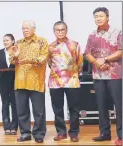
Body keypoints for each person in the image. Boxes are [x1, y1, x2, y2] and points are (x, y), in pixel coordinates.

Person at [83, 7, 122, 145]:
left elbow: (120, 51)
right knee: (101, 105)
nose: (98, 18)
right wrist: (97, 63)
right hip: (98, 75)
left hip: (115, 75)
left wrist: (105, 60)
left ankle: (121, 136)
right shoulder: (92, 35)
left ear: (107, 17)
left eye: (101, 16)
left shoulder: (117, 32)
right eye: (96, 16)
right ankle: (104, 133)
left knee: (119, 105)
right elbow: (87, 53)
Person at [9, 20, 48, 143]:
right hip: (20, 81)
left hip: (36, 81)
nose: (25, 30)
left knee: (39, 111)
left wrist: (29, 60)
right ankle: (25, 133)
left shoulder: (42, 42)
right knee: (21, 110)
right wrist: (15, 55)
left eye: (27, 28)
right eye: (23, 28)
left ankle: (39, 134)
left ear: (33, 29)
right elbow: (11, 61)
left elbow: (43, 58)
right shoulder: (18, 43)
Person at [48, 21, 83, 142]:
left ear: (66, 31)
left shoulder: (75, 44)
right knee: (57, 108)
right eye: (57, 30)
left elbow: (80, 62)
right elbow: (49, 63)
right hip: (55, 82)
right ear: (54, 32)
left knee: (74, 108)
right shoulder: (50, 46)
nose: (60, 32)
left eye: (62, 30)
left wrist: (73, 74)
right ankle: (61, 132)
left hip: (72, 80)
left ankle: (74, 133)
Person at [0, 34, 18, 135]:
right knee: (5, 103)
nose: (5, 42)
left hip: (15, 80)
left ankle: (14, 127)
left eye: (7, 40)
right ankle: (6, 127)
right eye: (4, 40)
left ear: (13, 41)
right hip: (2, 81)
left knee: (14, 104)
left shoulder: (17, 51)